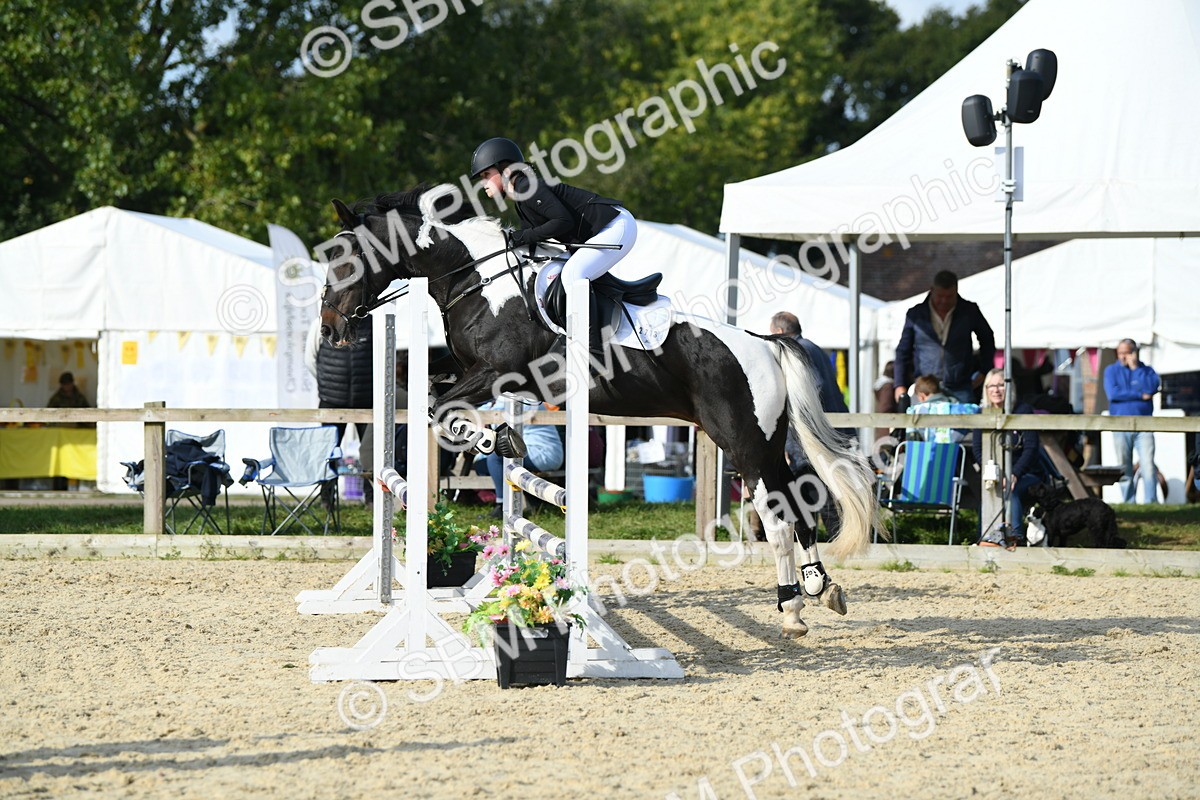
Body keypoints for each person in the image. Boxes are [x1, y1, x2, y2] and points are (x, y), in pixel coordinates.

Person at [470, 137, 637, 359]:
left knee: (573, 273)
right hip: (600, 232)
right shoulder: (521, 195)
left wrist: (522, 236)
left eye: (486, 175)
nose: (483, 183)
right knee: (559, 271)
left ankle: (594, 350)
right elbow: (531, 242)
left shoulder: (527, 186)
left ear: (504, 168)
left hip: (615, 226)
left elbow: (562, 221)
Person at [768, 311, 849, 537]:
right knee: (826, 485)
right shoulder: (814, 347)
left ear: (780, 332)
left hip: (812, 431)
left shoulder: (797, 350)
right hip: (834, 428)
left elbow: (815, 386)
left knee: (812, 485)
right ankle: (829, 536)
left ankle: (819, 537)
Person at [972, 368, 1048, 548]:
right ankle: (986, 539)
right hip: (994, 473)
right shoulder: (981, 413)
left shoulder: (1023, 411)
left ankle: (1015, 540)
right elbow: (977, 449)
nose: (996, 390)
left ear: (1009, 388)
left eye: (1000, 385)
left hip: (1026, 474)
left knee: (1009, 493)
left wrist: (1015, 473)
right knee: (989, 491)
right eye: (991, 386)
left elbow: (1031, 448)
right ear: (986, 389)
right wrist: (992, 473)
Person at [894, 270, 995, 404]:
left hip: (961, 386)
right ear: (931, 290)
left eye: (949, 296)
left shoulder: (970, 311)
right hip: (925, 388)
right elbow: (902, 351)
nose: (944, 301)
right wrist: (899, 385)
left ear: (957, 291)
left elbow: (987, 339)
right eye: (940, 296)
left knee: (962, 425)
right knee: (923, 425)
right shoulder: (915, 315)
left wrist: (984, 371)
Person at [306, 318, 373, 505]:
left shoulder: (373, 322)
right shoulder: (320, 322)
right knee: (329, 451)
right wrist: (328, 386)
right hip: (332, 401)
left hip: (366, 400)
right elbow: (310, 359)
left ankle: (372, 499)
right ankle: (327, 499)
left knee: (371, 452)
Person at [474, 400, 564, 519]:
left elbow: (498, 423)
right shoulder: (510, 395)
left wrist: (480, 420)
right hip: (534, 450)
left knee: (495, 458)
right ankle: (529, 501)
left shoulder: (523, 397)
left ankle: (502, 506)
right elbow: (484, 410)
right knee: (480, 463)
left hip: (542, 452)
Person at [1104, 338, 1161, 504]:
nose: (1123, 357)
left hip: (1144, 424)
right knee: (1124, 467)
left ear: (1134, 352)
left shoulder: (1146, 370)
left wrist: (1135, 368)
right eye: (1120, 353)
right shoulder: (1111, 371)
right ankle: (1129, 501)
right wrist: (1138, 395)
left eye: (1127, 353)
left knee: (1148, 465)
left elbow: (1151, 387)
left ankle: (1151, 502)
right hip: (1121, 424)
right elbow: (1113, 394)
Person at [905, 374, 979, 444]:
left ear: (922, 396)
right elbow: (976, 410)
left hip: (924, 452)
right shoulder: (955, 407)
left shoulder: (916, 410)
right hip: (953, 452)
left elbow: (911, 437)